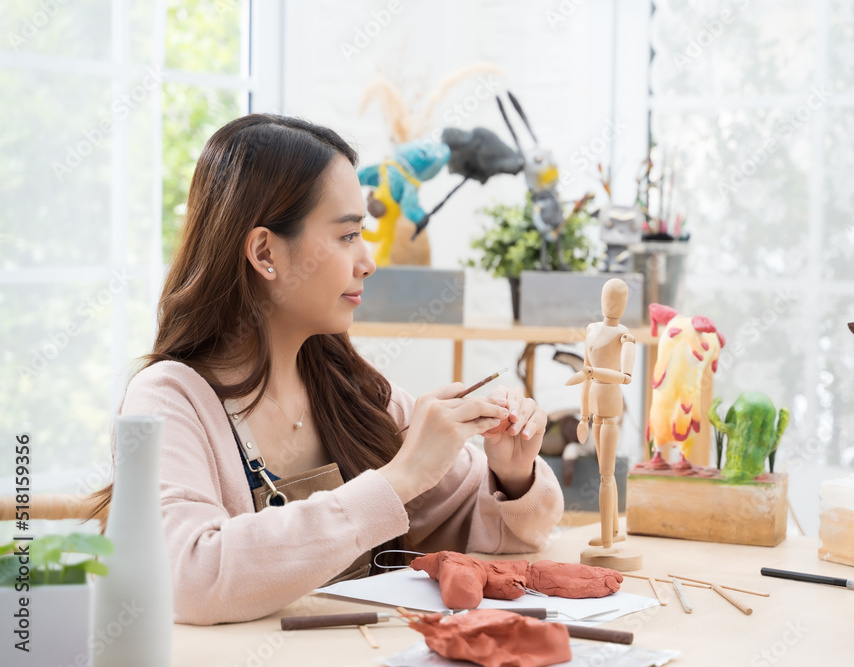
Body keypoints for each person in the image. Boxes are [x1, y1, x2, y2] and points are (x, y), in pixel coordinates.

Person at [88, 114, 564, 625]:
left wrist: (512, 473)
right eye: (347, 236)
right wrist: (400, 477)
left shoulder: (353, 388)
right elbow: (191, 578)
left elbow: (507, 536)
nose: (368, 261)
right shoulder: (168, 399)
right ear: (265, 252)